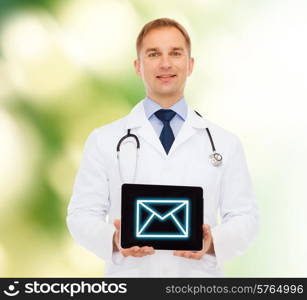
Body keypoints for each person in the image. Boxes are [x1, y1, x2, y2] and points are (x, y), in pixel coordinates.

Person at [67, 18, 259, 277]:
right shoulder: (104, 140)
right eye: (154, 54)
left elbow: (245, 218)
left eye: (176, 53)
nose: (166, 63)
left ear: (190, 65)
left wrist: (213, 241)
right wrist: (114, 239)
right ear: (138, 66)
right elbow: (81, 215)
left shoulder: (225, 143)